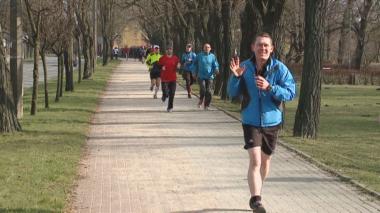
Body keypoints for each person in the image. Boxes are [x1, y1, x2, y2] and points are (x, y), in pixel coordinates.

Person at [227, 32, 296, 213]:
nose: (262, 48)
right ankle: (256, 201)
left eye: (266, 45)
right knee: (255, 160)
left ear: (272, 49)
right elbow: (232, 93)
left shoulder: (279, 69)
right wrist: (235, 77)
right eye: (259, 45)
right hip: (250, 120)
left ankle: (257, 189)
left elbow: (290, 92)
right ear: (253, 47)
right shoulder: (244, 67)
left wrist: (270, 87)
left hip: (272, 121)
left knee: (265, 163)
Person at [193, 43, 219, 110]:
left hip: (210, 76)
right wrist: (194, 72)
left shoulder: (213, 56)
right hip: (201, 76)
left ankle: (206, 105)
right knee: (203, 89)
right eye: (205, 47)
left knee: (209, 91)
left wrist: (216, 69)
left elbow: (215, 64)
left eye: (208, 47)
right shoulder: (199, 55)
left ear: (210, 49)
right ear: (203, 48)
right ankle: (201, 99)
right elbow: (194, 64)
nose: (207, 48)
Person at [158, 46, 180, 112]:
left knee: (172, 93)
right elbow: (158, 66)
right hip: (164, 79)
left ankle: (170, 107)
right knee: (166, 92)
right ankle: (164, 95)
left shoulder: (175, 58)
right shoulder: (162, 58)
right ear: (166, 50)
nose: (169, 50)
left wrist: (179, 66)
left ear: (172, 50)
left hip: (173, 79)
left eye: (170, 49)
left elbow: (178, 65)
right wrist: (161, 67)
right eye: (167, 49)